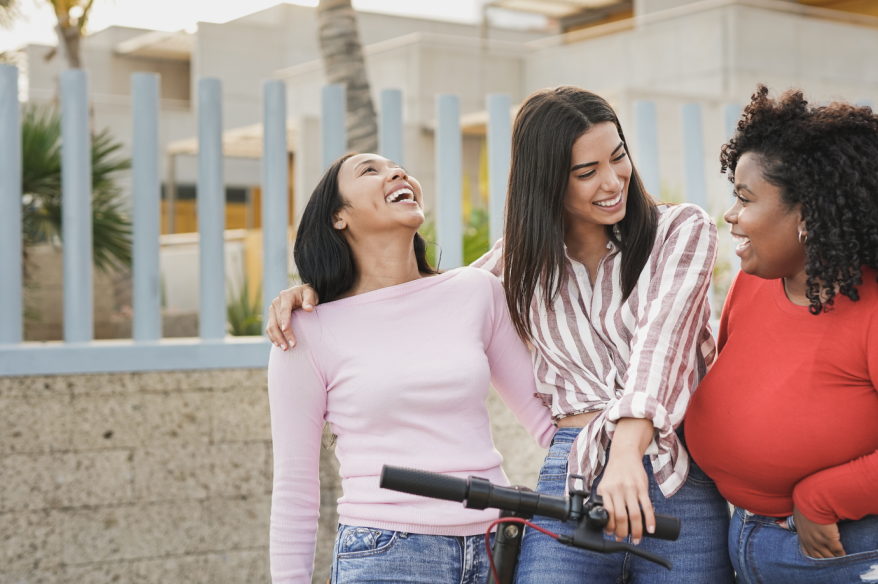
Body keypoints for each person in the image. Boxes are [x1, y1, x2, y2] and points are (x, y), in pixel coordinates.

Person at [268, 86, 734, 583]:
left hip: (668, 467)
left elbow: (657, 353)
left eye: (618, 157)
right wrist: (319, 289)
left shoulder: (681, 229)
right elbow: (436, 307)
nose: (612, 180)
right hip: (562, 474)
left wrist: (623, 454)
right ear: (548, 181)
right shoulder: (519, 260)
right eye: (585, 172)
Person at [685, 86, 878, 584]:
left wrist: (824, 497)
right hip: (755, 551)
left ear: (808, 215)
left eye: (745, 198)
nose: (731, 214)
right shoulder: (753, 285)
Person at [267, 152, 555, 584]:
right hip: (386, 554)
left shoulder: (476, 292)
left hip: (499, 548)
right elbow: (295, 487)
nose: (397, 172)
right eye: (371, 170)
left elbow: (548, 418)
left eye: (397, 167)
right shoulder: (305, 331)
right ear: (338, 218)